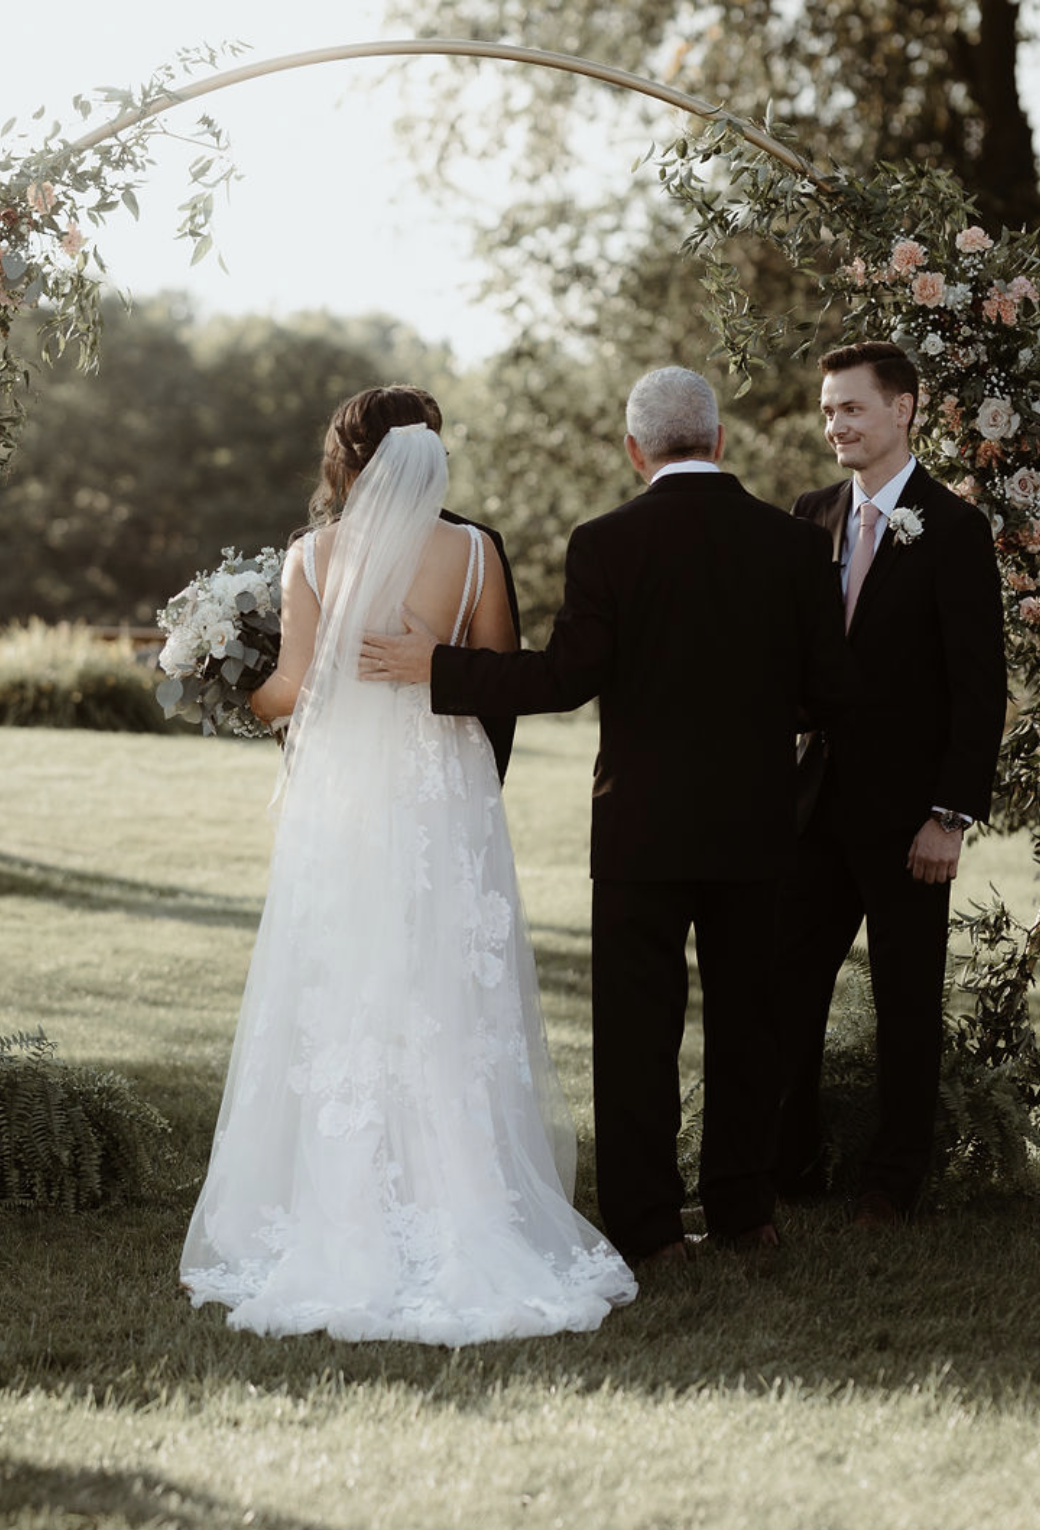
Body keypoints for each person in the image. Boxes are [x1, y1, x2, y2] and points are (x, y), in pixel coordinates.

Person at [360, 365, 846, 1266]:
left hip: (640, 831)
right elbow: (827, 694)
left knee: (636, 1034)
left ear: (635, 451)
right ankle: (745, 1213)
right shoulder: (794, 547)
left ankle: (649, 1228)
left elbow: (563, 678)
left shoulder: (606, 542)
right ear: (720, 441)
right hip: (755, 825)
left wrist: (438, 666)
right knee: (751, 1024)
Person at [178, 404, 636, 1342]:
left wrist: (217, 672)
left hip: (344, 803)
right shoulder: (471, 554)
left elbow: (292, 695)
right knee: (445, 986)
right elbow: (498, 672)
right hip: (445, 790)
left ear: (347, 459)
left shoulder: (311, 556)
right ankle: (464, 1199)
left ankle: (349, 1203)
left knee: (348, 982)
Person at [776, 340, 1007, 1224]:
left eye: (852, 408)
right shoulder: (809, 512)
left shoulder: (952, 527)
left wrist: (949, 815)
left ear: (903, 409)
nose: (835, 423)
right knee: (783, 987)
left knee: (906, 1002)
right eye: (828, 409)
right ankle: (786, 1163)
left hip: (912, 816)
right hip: (812, 808)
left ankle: (891, 1179)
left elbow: (978, 686)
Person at [296, 385, 525, 781]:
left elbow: (501, 683)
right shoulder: (314, 550)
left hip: (431, 773)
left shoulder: (475, 543)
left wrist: (485, 780)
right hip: (350, 768)